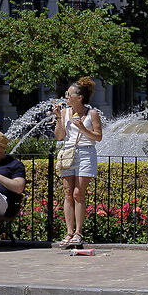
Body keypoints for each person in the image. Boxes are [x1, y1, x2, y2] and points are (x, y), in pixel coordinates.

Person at [53, 78, 105, 254]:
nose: (66, 96)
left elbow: (98, 137)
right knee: (68, 193)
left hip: (85, 153)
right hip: (68, 153)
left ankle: (78, 232)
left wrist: (83, 128)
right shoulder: (65, 113)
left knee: (78, 193)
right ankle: (69, 233)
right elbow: (59, 136)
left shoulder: (92, 114)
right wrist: (59, 118)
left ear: (80, 97)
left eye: (69, 94)